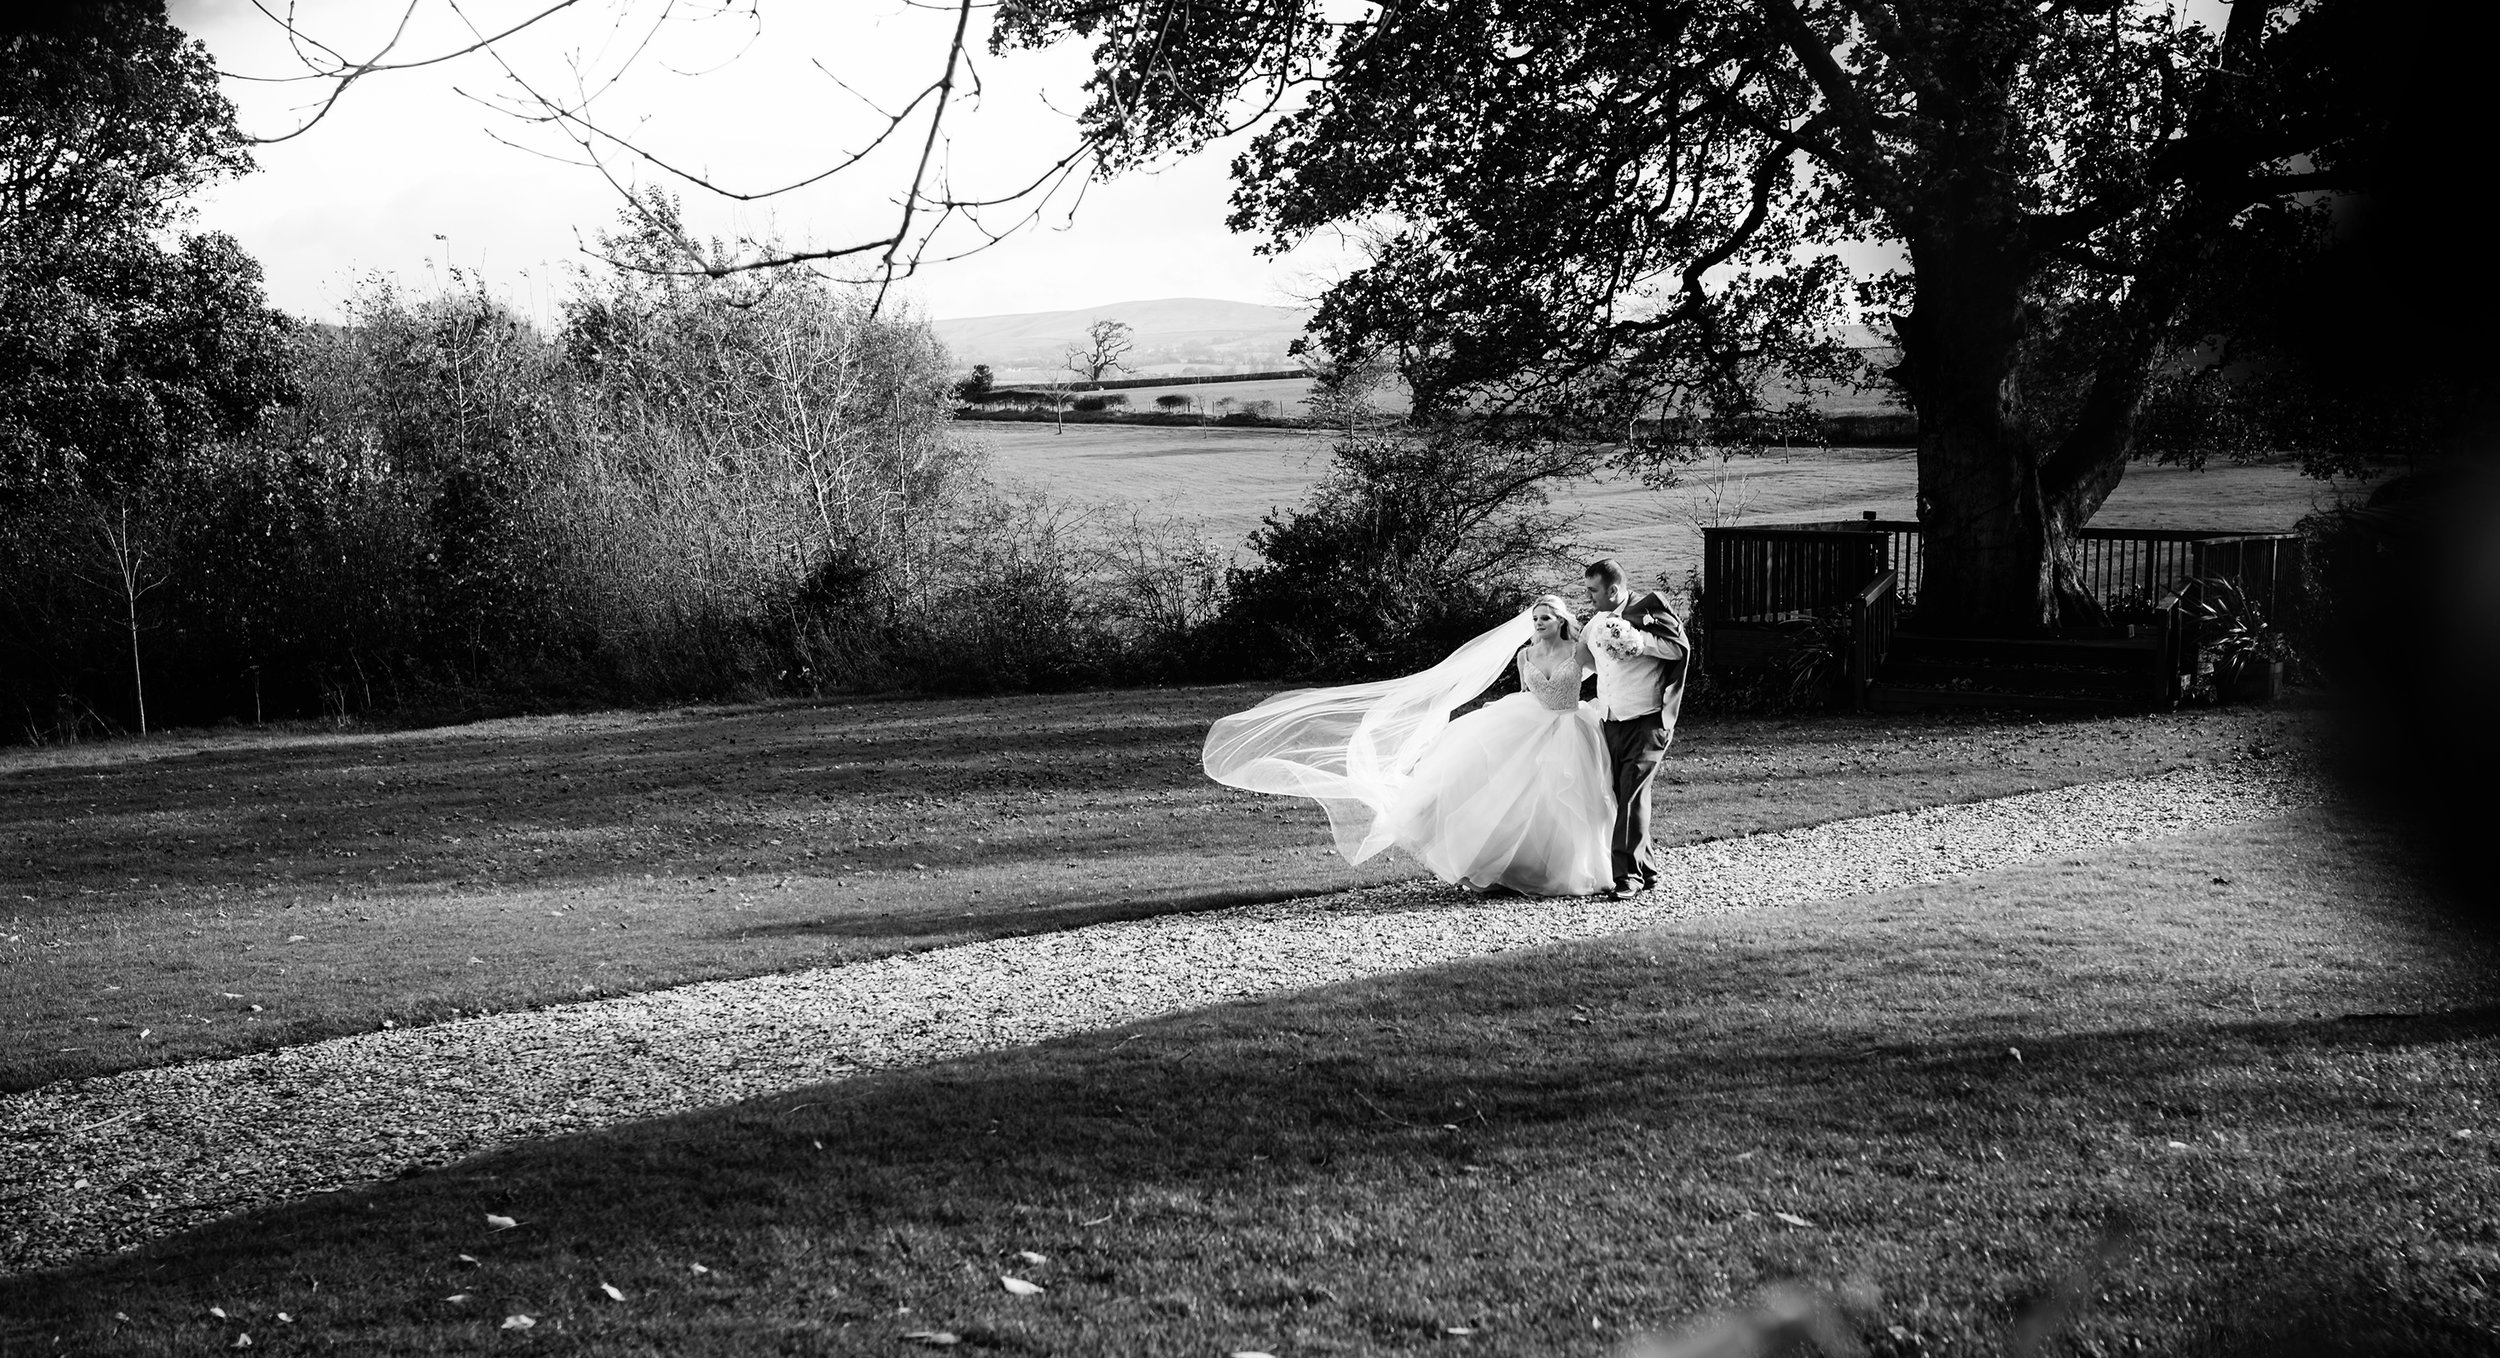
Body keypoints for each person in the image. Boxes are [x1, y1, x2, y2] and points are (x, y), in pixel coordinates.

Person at [1201, 594, 1614, 898]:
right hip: (1523, 722)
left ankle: (1557, 870)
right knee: (1502, 794)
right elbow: (1529, 691)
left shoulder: (1578, 650)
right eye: (1535, 618)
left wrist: (1621, 648)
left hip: (1567, 727)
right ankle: (1508, 868)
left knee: (1560, 801)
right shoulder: (1525, 654)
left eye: (1545, 618)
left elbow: (1604, 671)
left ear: (1562, 621)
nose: (1538, 623)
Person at [1578, 558, 1692, 900]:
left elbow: (1679, 648)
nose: (1588, 597)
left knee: (1631, 794)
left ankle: (1628, 877)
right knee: (1619, 795)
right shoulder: (1594, 623)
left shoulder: (1648, 612)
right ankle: (1647, 867)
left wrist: (1638, 641)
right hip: (1610, 721)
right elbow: (1584, 661)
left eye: (1593, 590)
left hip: (1647, 720)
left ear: (1614, 589)